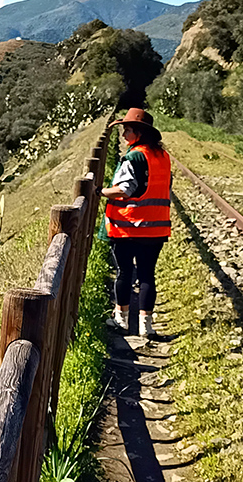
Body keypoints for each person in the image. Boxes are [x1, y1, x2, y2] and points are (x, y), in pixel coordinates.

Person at [96, 108, 171, 337]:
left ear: (138, 133)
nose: (123, 135)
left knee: (125, 273)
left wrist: (101, 191)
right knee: (147, 275)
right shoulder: (162, 156)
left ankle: (121, 319)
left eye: (127, 130)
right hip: (156, 227)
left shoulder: (134, 157)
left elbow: (124, 190)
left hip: (128, 228)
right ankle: (146, 326)